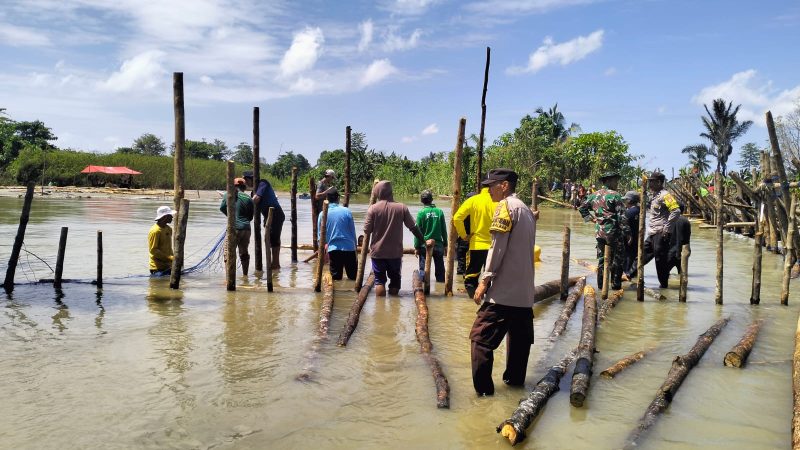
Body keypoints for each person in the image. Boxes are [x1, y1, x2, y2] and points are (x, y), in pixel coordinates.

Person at [470, 168, 538, 396]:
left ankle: (484, 394)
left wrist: (484, 280)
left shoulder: (505, 207)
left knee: (480, 340)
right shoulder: (526, 210)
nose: (488, 189)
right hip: (524, 294)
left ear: (504, 186)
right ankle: (515, 389)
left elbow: (497, 247)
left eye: (492, 185)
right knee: (519, 344)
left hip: (504, 293)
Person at [363, 180, 427, 296]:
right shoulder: (401, 208)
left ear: (378, 193)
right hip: (395, 253)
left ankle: (380, 310)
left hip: (378, 252)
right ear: (391, 192)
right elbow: (413, 227)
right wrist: (423, 241)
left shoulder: (373, 209)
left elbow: (367, 230)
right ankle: (394, 308)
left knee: (379, 281)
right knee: (395, 282)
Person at [578, 172, 629, 291]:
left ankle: (601, 286)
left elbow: (582, 208)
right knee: (618, 259)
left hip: (599, 233)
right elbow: (622, 217)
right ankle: (615, 286)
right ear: (608, 181)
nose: (617, 183)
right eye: (615, 181)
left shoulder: (594, 195)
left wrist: (591, 219)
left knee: (602, 259)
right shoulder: (615, 195)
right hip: (614, 233)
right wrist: (627, 233)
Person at [453, 185, 497, 298]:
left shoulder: (473, 200)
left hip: (477, 246)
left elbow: (457, 218)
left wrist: (464, 236)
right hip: (496, 246)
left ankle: (472, 306)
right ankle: (488, 303)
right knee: (491, 279)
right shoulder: (500, 201)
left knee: (470, 279)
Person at [641, 171, 681, 288]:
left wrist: (667, 228)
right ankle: (629, 274)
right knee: (642, 255)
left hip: (661, 232)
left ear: (659, 182)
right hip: (652, 232)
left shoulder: (665, 195)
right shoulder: (654, 195)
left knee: (660, 261)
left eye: (652, 182)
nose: (650, 184)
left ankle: (663, 286)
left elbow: (676, 211)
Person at [243, 170, 285, 269]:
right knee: (268, 239)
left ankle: (275, 264)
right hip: (267, 215)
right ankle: (272, 263)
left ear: (251, 179)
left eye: (246, 180)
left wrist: (243, 204)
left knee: (273, 239)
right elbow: (254, 208)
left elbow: (256, 199)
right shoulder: (253, 192)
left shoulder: (263, 183)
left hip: (275, 213)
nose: (246, 182)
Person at [317, 189, 357, 280]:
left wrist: (323, 253)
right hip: (349, 248)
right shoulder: (346, 211)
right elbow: (352, 231)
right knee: (353, 277)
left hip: (334, 250)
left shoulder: (322, 214)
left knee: (336, 279)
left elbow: (321, 236)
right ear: (338, 198)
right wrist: (355, 247)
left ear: (326, 199)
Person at [220, 178, 255, 275]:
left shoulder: (228, 195)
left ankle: (229, 277)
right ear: (244, 187)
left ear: (233, 186)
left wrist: (231, 217)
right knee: (244, 252)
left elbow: (222, 208)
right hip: (246, 229)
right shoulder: (249, 199)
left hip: (234, 228)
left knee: (228, 252)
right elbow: (251, 217)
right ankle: (245, 275)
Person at [414, 190, 448, 283]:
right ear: (432, 200)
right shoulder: (439, 212)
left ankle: (423, 290)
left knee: (423, 269)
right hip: (438, 245)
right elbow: (444, 231)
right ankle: (441, 288)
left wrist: (416, 247)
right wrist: (445, 244)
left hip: (424, 246)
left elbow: (417, 232)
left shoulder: (421, 213)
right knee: (440, 269)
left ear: (422, 201)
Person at [148, 205, 176, 275]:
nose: (172, 217)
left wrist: (172, 259)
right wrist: (169, 257)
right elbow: (153, 250)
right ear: (164, 217)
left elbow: (168, 247)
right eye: (170, 215)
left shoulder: (169, 229)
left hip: (168, 265)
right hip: (158, 269)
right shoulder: (155, 231)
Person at [667, 202, 691, 274]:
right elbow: (687, 237)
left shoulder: (669, 220)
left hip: (670, 252)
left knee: (664, 276)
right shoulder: (686, 221)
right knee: (682, 275)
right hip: (683, 252)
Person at [456, 192, 476, 275]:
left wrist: (463, 237)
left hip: (464, 238)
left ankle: (460, 281)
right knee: (473, 262)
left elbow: (456, 221)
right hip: (474, 239)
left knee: (461, 262)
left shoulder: (463, 210)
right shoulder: (477, 211)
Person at [622, 191, 641, 280]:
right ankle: (633, 275)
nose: (625, 202)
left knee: (627, 257)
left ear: (629, 201)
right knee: (634, 257)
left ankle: (627, 274)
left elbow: (623, 225)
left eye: (626, 200)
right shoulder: (640, 210)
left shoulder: (628, 212)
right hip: (637, 238)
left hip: (628, 238)